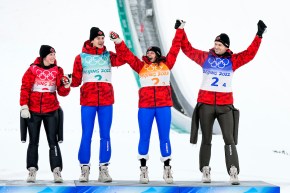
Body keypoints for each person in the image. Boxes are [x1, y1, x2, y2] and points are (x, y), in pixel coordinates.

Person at [176, 19, 267, 185]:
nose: (216, 46)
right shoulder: (205, 57)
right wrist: (181, 30)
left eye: (220, 44)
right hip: (206, 105)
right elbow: (186, 49)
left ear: (227, 47)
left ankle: (233, 171)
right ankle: (205, 170)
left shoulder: (233, 60)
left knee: (229, 138)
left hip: (225, 106)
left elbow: (249, 54)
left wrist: (259, 35)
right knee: (206, 139)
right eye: (215, 43)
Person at [109, 21, 185, 184]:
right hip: (146, 108)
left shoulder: (167, 64)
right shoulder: (141, 66)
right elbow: (128, 55)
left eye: (151, 52)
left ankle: (167, 168)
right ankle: (143, 169)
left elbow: (175, 48)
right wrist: (118, 41)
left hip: (164, 107)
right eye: (147, 52)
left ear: (157, 54)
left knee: (164, 137)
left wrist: (179, 30)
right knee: (144, 136)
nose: (148, 53)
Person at [69, 27, 125, 183]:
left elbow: (123, 58)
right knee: (86, 134)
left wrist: (118, 43)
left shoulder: (108, 56)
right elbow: (75, 81)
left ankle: (104, 169)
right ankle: (85, 168)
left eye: (103, 38)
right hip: (88, 101)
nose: (101, 41)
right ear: (92, 40)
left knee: (105, 135)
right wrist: (65, 81)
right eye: (98, 38)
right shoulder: (80, 57)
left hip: (106, 101)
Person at [20, 45, 71, 183]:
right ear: (44, 56)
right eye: (51, 55)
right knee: (33, 142)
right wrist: (24, 106)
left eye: (54, 54)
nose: (53, 57)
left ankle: (57, 171)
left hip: (51, 111)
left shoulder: (58, 71)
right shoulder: (32, 70)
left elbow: (62, 92)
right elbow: (25, 87)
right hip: (34, 111)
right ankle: (31, 170)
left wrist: (66, 86)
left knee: (53, 142)